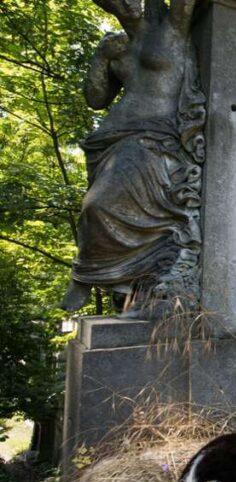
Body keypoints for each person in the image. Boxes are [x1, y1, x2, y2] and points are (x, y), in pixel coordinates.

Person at [60, 0, 205, 316]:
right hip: (112, 140)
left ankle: (89, 273)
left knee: (99, 206)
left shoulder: (172, 28)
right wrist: (102, 56)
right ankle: (119, 285)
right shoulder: (116, 45)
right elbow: (96, 99)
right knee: (97, 207)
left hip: (155, 138)